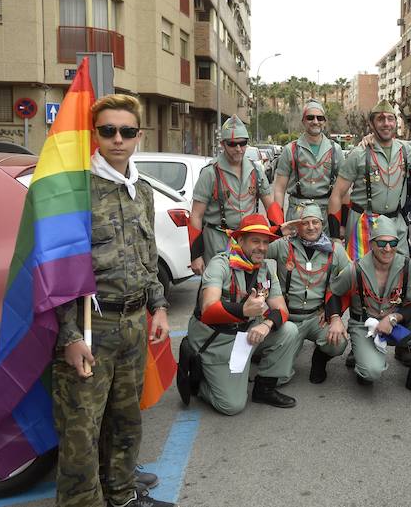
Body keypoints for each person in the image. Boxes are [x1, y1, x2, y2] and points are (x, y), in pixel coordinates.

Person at [53, 94, 173, 507]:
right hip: (93, 325)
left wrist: (157, 306)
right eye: (107, 131)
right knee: (81, 430)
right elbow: (58, 269)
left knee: (126, 420)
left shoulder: (141, 190)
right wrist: (69, 336)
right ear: (95, 134)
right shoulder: (76, 189)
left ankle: (121, 495)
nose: (117, 139)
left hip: (134, 321)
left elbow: (149, 252)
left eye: (126, 131)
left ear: (139, 135)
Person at [182, 213, 299, 414]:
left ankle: (264, 388)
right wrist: (243, 310)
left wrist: (266, 324)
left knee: (288, 330)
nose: (261, 247)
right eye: (255, 241)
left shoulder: (266, 269)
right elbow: (209, 308)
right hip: (215, 340)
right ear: (240, 240)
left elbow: (282, 310)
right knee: (231, 406)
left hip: (245, 334)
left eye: (265, 242)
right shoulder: (220, 263)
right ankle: (200, 381)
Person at [327, 215, 411, 400]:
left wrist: (393, 318)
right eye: (381, 243)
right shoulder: (356, 268)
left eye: (393, 243)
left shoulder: (407, 266)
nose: (387, 249)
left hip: (395, 325)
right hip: (365, 326)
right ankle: (360, 352)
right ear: (371, 244)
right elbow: (334, 292)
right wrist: (335, 319)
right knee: (370, 372)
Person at [266, 201, 350, 384]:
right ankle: (273, 352)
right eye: (305, 223)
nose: (311, 227)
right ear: (297, 225)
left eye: (316, 222)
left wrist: (335, 315)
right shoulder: (283, 245)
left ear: (322, 224)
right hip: (288, 319)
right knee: (279, 379)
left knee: (338, 342)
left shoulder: (335, 250)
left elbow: (351, 284)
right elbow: (251, 247)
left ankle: (319, 360)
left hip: (316, 317)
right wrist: (280, 230)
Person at [329, 100, 411, 253]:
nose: (386, 123)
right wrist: (335, 237)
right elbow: (337, 195)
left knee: (400, 271)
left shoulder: (406, 151)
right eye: (380, 119)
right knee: (360, 274)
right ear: (371, 124)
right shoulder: (358, 153)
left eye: (390, 118)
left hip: (395, 225)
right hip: (362, 224)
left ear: (396, 122)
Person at [188, 116, 277, 274]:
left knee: (248, 288)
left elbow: (271, 205)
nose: (238, 149)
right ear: (222, 144)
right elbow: (196, 215)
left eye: (242, 143)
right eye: (232, 144)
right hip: (217, 239)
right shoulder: (210, 173)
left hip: (247, 241)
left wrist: (278, 234)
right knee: (217, 287)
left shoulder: (255, 170)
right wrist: (196, 255)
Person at [272, 100, 345, 223]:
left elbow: (343, 191)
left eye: (320, 118)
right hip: (297, 215)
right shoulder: (290, 149)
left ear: (324, 122)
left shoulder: (335, 150)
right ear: (303, 121)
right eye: (310, 117)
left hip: (325, 216)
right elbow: (279, 188)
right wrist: (278, 224)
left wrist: (340, 225)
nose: (315, 122)